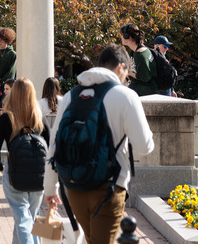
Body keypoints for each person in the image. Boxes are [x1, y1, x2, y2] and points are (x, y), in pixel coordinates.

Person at [44, 44, 155, 244]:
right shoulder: (125, 96)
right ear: (121, 67)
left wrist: (50, 188)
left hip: (74, 186)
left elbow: (54, 144)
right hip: (108, 187)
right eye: (127, 74)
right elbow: (144, 146)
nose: (126, 79)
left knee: (92, 240)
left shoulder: (71, 96)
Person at [0, 77, 49, 244]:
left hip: (15, 171)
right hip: (38, 173)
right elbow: (52, 146)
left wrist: (1, 167)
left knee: (22, 219)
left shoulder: (6, 118)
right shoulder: (39, 117)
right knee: (32, 217)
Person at [120, 24, 156, 97]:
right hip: (139, 91)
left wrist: (128, 72)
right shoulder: (134, 52)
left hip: (145, 94)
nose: (121, 37)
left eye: (122, 35)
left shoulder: (140, 54)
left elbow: (144, 77)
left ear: (127, 36)